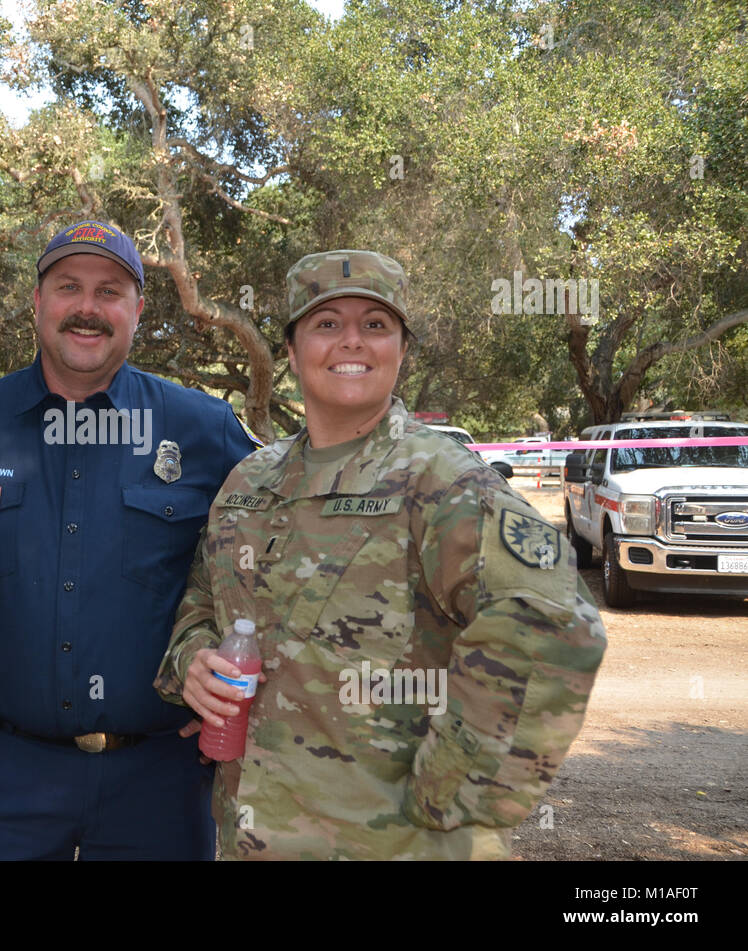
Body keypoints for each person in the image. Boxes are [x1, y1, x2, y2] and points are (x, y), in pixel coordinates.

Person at [154, 250, 606, 860]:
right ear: (291, 350)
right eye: (326, 323)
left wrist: (450, 796)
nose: (352, 341)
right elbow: (202, 601)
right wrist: (194, 664)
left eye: (375, 324)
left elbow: (553, 626)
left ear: (401, 349)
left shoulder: (441, 479)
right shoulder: (249, 482)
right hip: (251, 836)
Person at [0, 220, 260, 859]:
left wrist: (225, 680)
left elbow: (282, 550)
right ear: (38, 303)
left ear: (137, 310)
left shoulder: (203, 428)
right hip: (1, 773)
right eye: (69, 286)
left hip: (162, 778)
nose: (87, 307)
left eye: (110, 291)